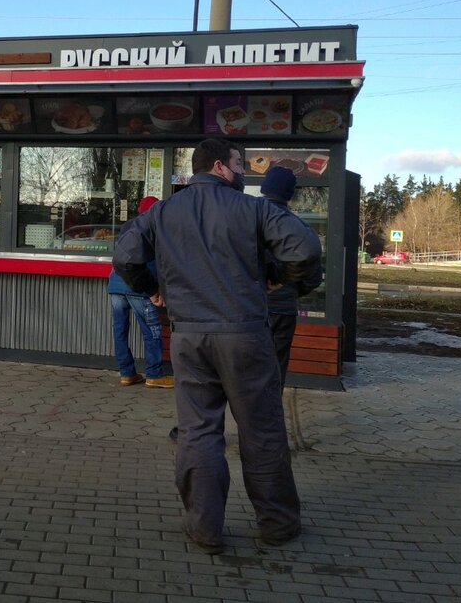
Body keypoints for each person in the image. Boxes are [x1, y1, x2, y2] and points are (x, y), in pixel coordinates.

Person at [113, 138, 322, 554]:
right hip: (246, 336)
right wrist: (282, 279)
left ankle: (204, 528)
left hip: (189, 337)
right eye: (239, 163)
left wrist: (153, 289)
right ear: (220, 167)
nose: (243, 171)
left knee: (198, 432)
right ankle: (278, 525)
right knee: (261, 429)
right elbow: (305, 248)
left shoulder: (162, 212)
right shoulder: (254, 209)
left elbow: (125, 256)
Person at [259, 165, 321, 387]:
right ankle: (271, 408)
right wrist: (289, 285)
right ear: (289, 194)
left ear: (264, 187)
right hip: (283, 309)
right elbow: (313, 276)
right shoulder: (298, 226)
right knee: (275, 370)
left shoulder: (246, 219)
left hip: (248, 307)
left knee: (246, 370)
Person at [107, 196, 173, 388]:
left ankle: (127, 373)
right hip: (138, 285)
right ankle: (154, 375)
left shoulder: (127, 226)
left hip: (115, 284)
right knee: (151, 330)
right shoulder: (155, 228)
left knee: (120, 330)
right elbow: (161, 261)